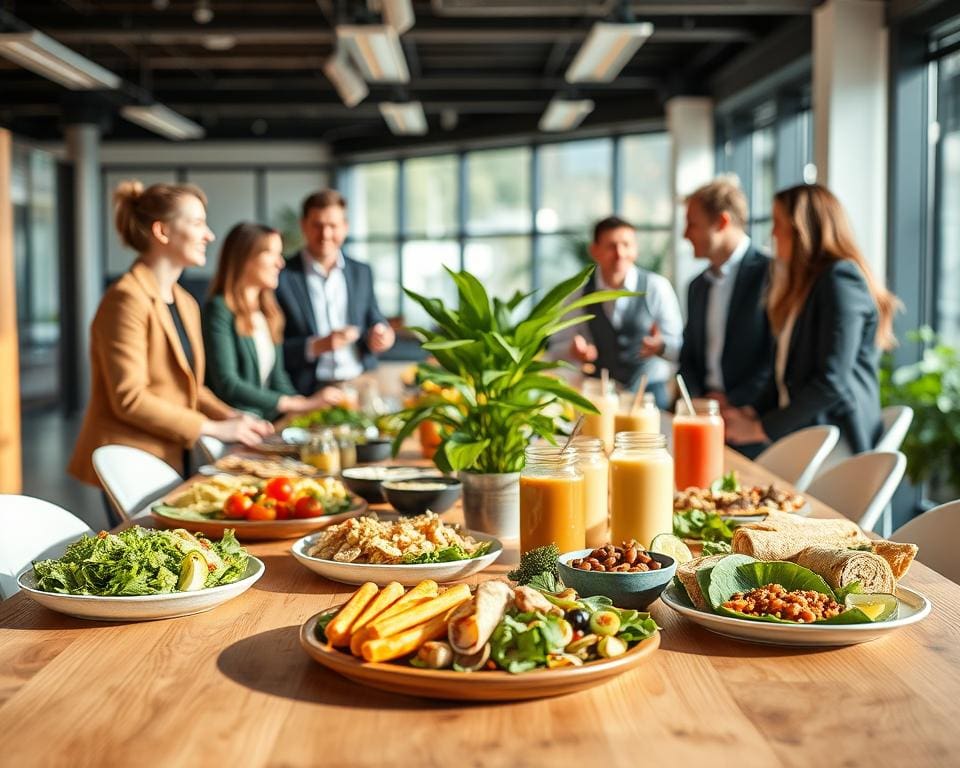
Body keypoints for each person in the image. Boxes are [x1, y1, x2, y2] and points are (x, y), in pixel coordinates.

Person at [69, 181, 273, 493]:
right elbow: (130, 398)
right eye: (197, 223)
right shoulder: (125, 299)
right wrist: (215, 428)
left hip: (172, 456)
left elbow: (191, 388)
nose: (209, 235)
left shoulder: (185, 301)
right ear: (162, 232)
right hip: (131, 463)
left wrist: (234, 416)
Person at [723, 183, 899, 455]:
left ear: (802, 229)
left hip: (836, 438)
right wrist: (751, 412)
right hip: (808, 432)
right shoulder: (808, 285)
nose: (772, 233)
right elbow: (785, 373)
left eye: (778, 223)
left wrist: (760, 428)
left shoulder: (839, 279)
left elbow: (831, 383)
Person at [203, 222, 346, 420]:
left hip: (263, 424)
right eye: (271, 253)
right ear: (245, 258)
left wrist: (305, 407)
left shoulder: (269, 312)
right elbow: (228, 383)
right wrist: (297, 403)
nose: (281, 263)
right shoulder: (220, 309)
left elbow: (278, 379)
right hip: (231, 424)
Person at [679, 178, 773, 457]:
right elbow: (689, 355)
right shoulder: (697, 286)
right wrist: (701, 400)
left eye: (692, 224)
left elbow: (776, 355)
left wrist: (733, 402)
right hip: (702, 418)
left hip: (750, 423)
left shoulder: (771, 275)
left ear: (721, 222)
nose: (685, 234)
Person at [551, 215, 684, 409]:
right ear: (594, 251)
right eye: (611, 246)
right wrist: (573, 351)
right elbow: (556, 349)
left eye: (626, 245)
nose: (620, 253)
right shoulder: (577, 294)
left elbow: (680, 347)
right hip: (599, 397)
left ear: (636, 249)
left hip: (649, 398)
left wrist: (661, 346)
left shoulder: (657, 287)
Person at [275, 189, 395, 395]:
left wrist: (383, 333)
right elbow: (273, 349)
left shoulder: (361, 272)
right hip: (307, 389)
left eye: (333, 226)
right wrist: (316, 346)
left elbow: (374, 317)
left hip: (360, 381)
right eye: (318, 225)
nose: (326, 234)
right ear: (303, 226)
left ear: (345, 227)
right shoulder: (282, 276)